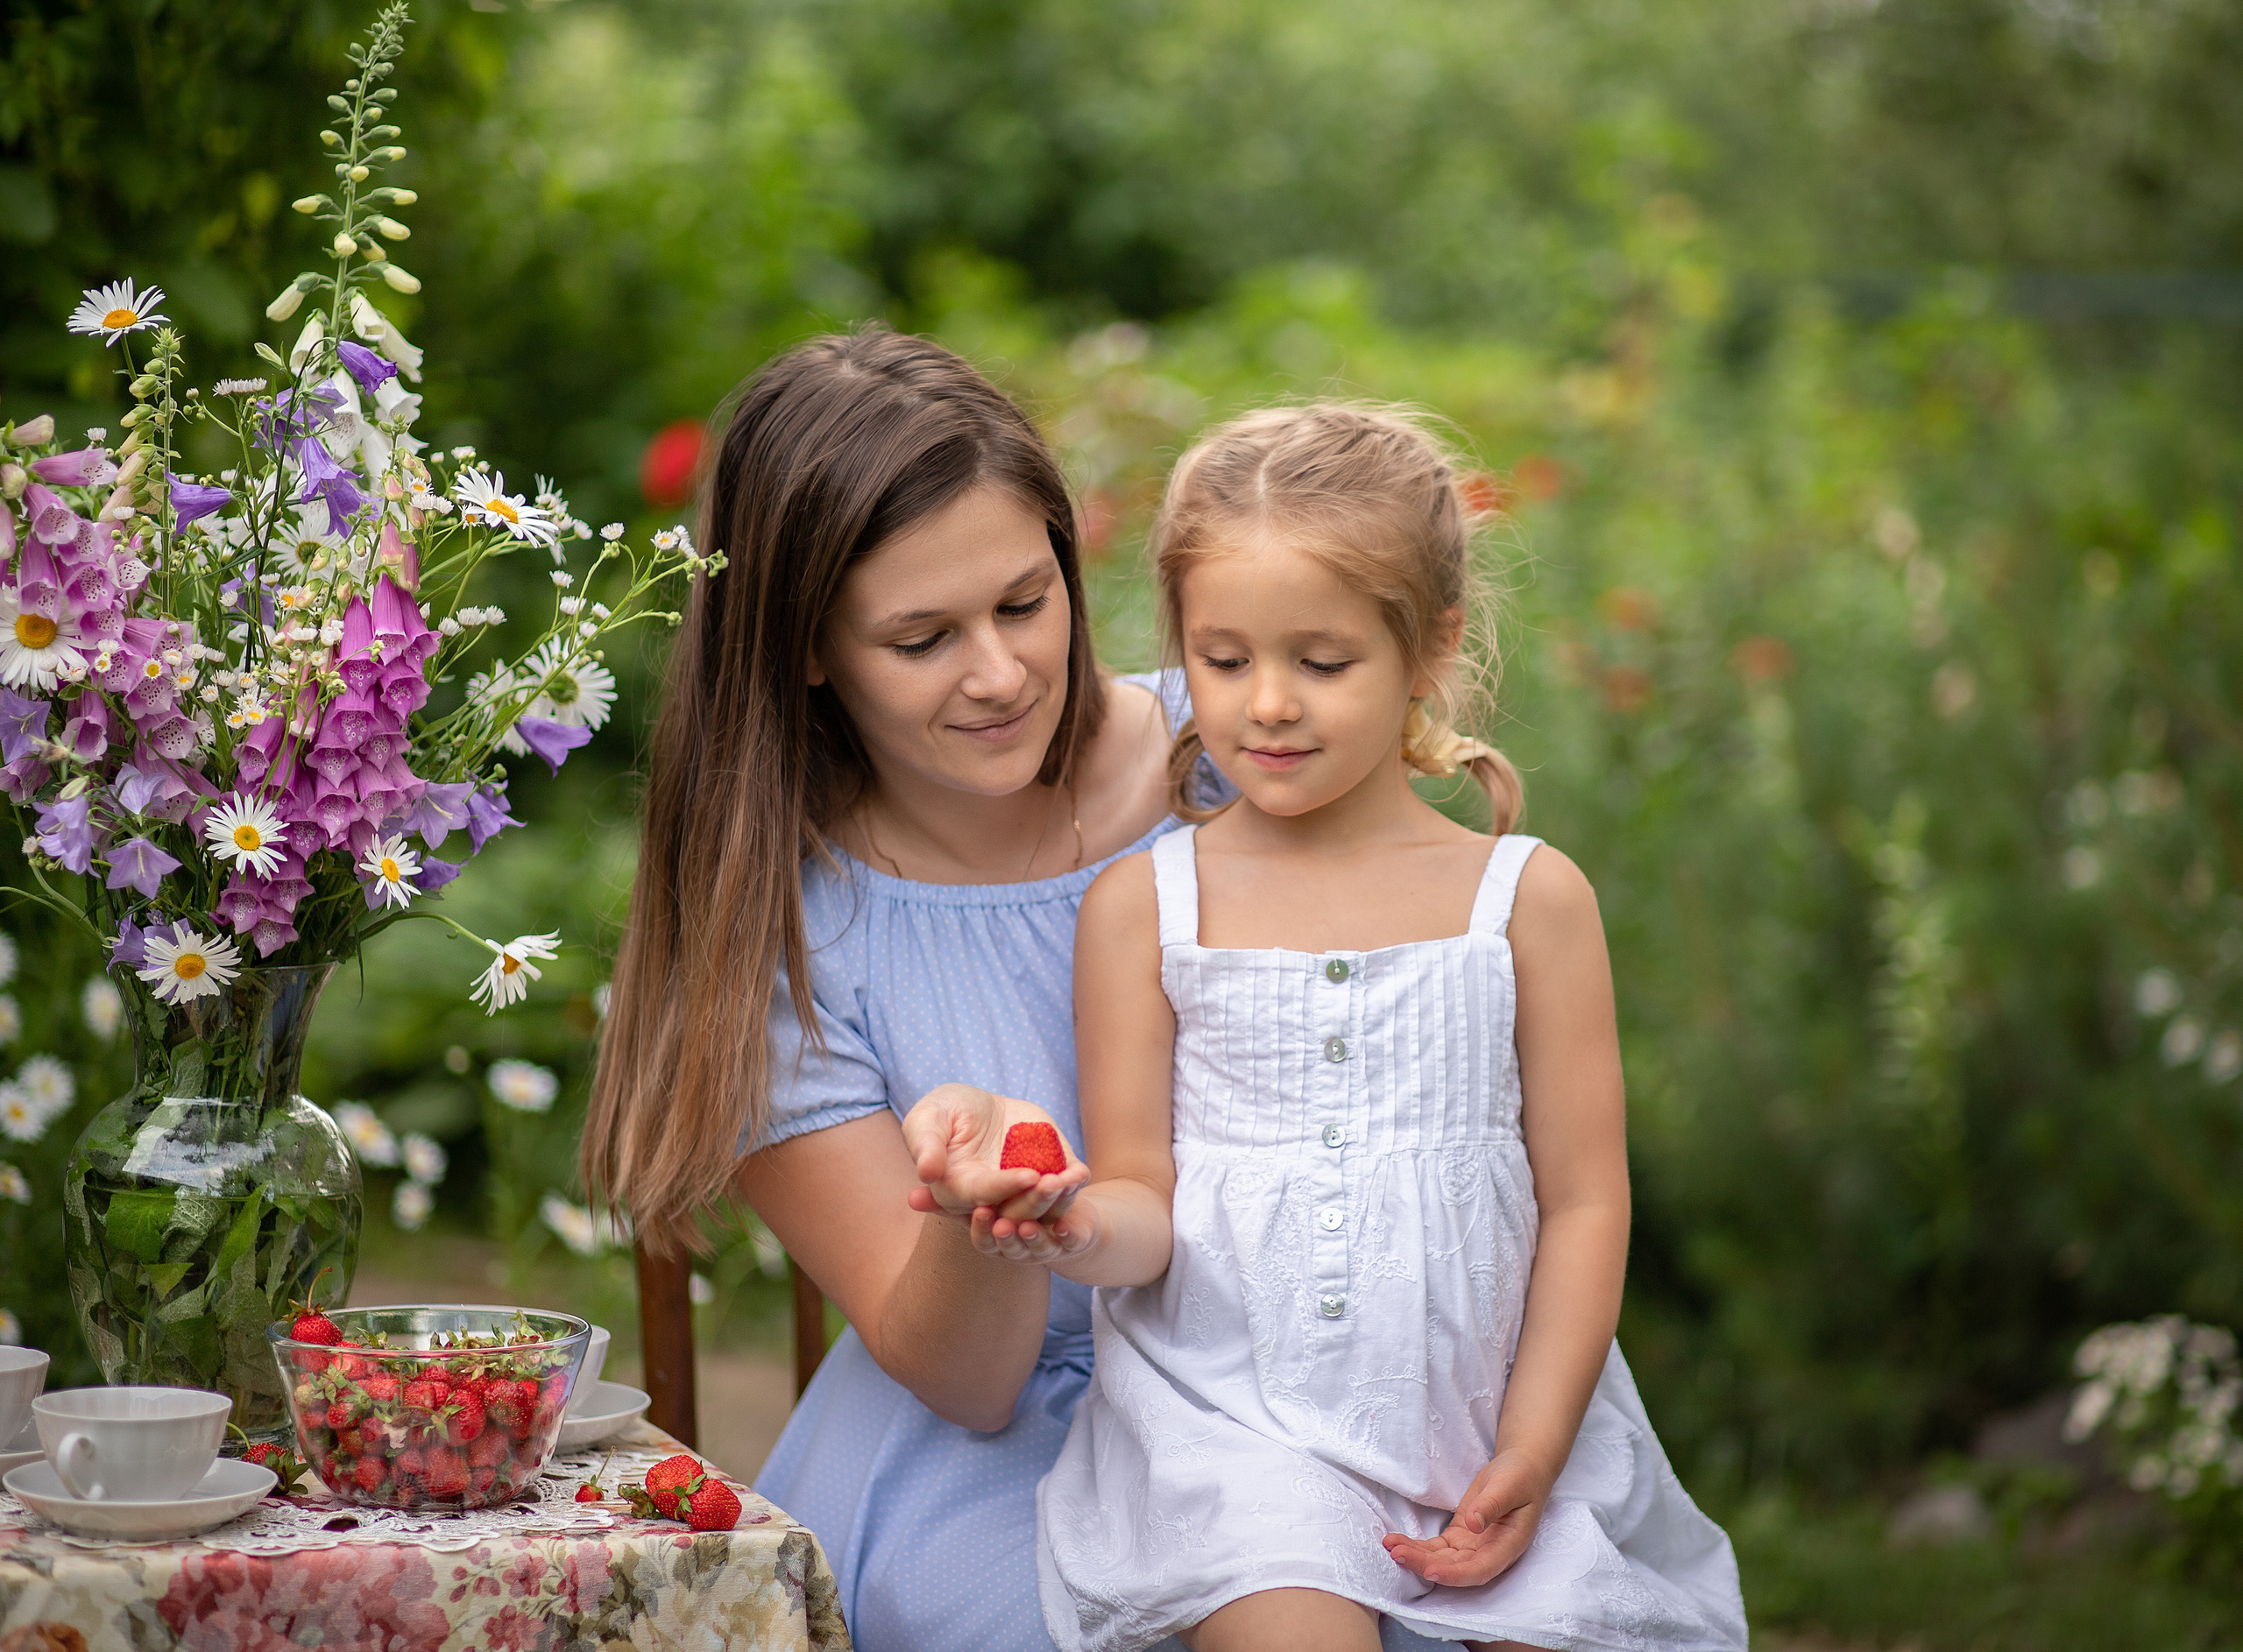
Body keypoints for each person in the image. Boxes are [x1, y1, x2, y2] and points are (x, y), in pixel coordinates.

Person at [968, 404, 1751, 1651]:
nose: (1267, 704)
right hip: (1242, 1433)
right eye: (1223, 661)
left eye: (1321, 662)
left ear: (1430, 646)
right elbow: (1142, 1204)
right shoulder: (1148, 907)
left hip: (1495, 1418)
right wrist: (1068, 1222)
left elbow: (1587, 1201)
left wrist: (1534, 1447)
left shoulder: (1528, 901)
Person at [581, 327, 1196, 1650]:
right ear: (805, 650)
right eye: (922, 637)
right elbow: (969, 1379)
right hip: (1005, 1451)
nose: (999, 672)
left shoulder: (1240, 752)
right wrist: (990, 1221)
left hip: (1308, 1373)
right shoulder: (767, 938)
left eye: (1026, 603)